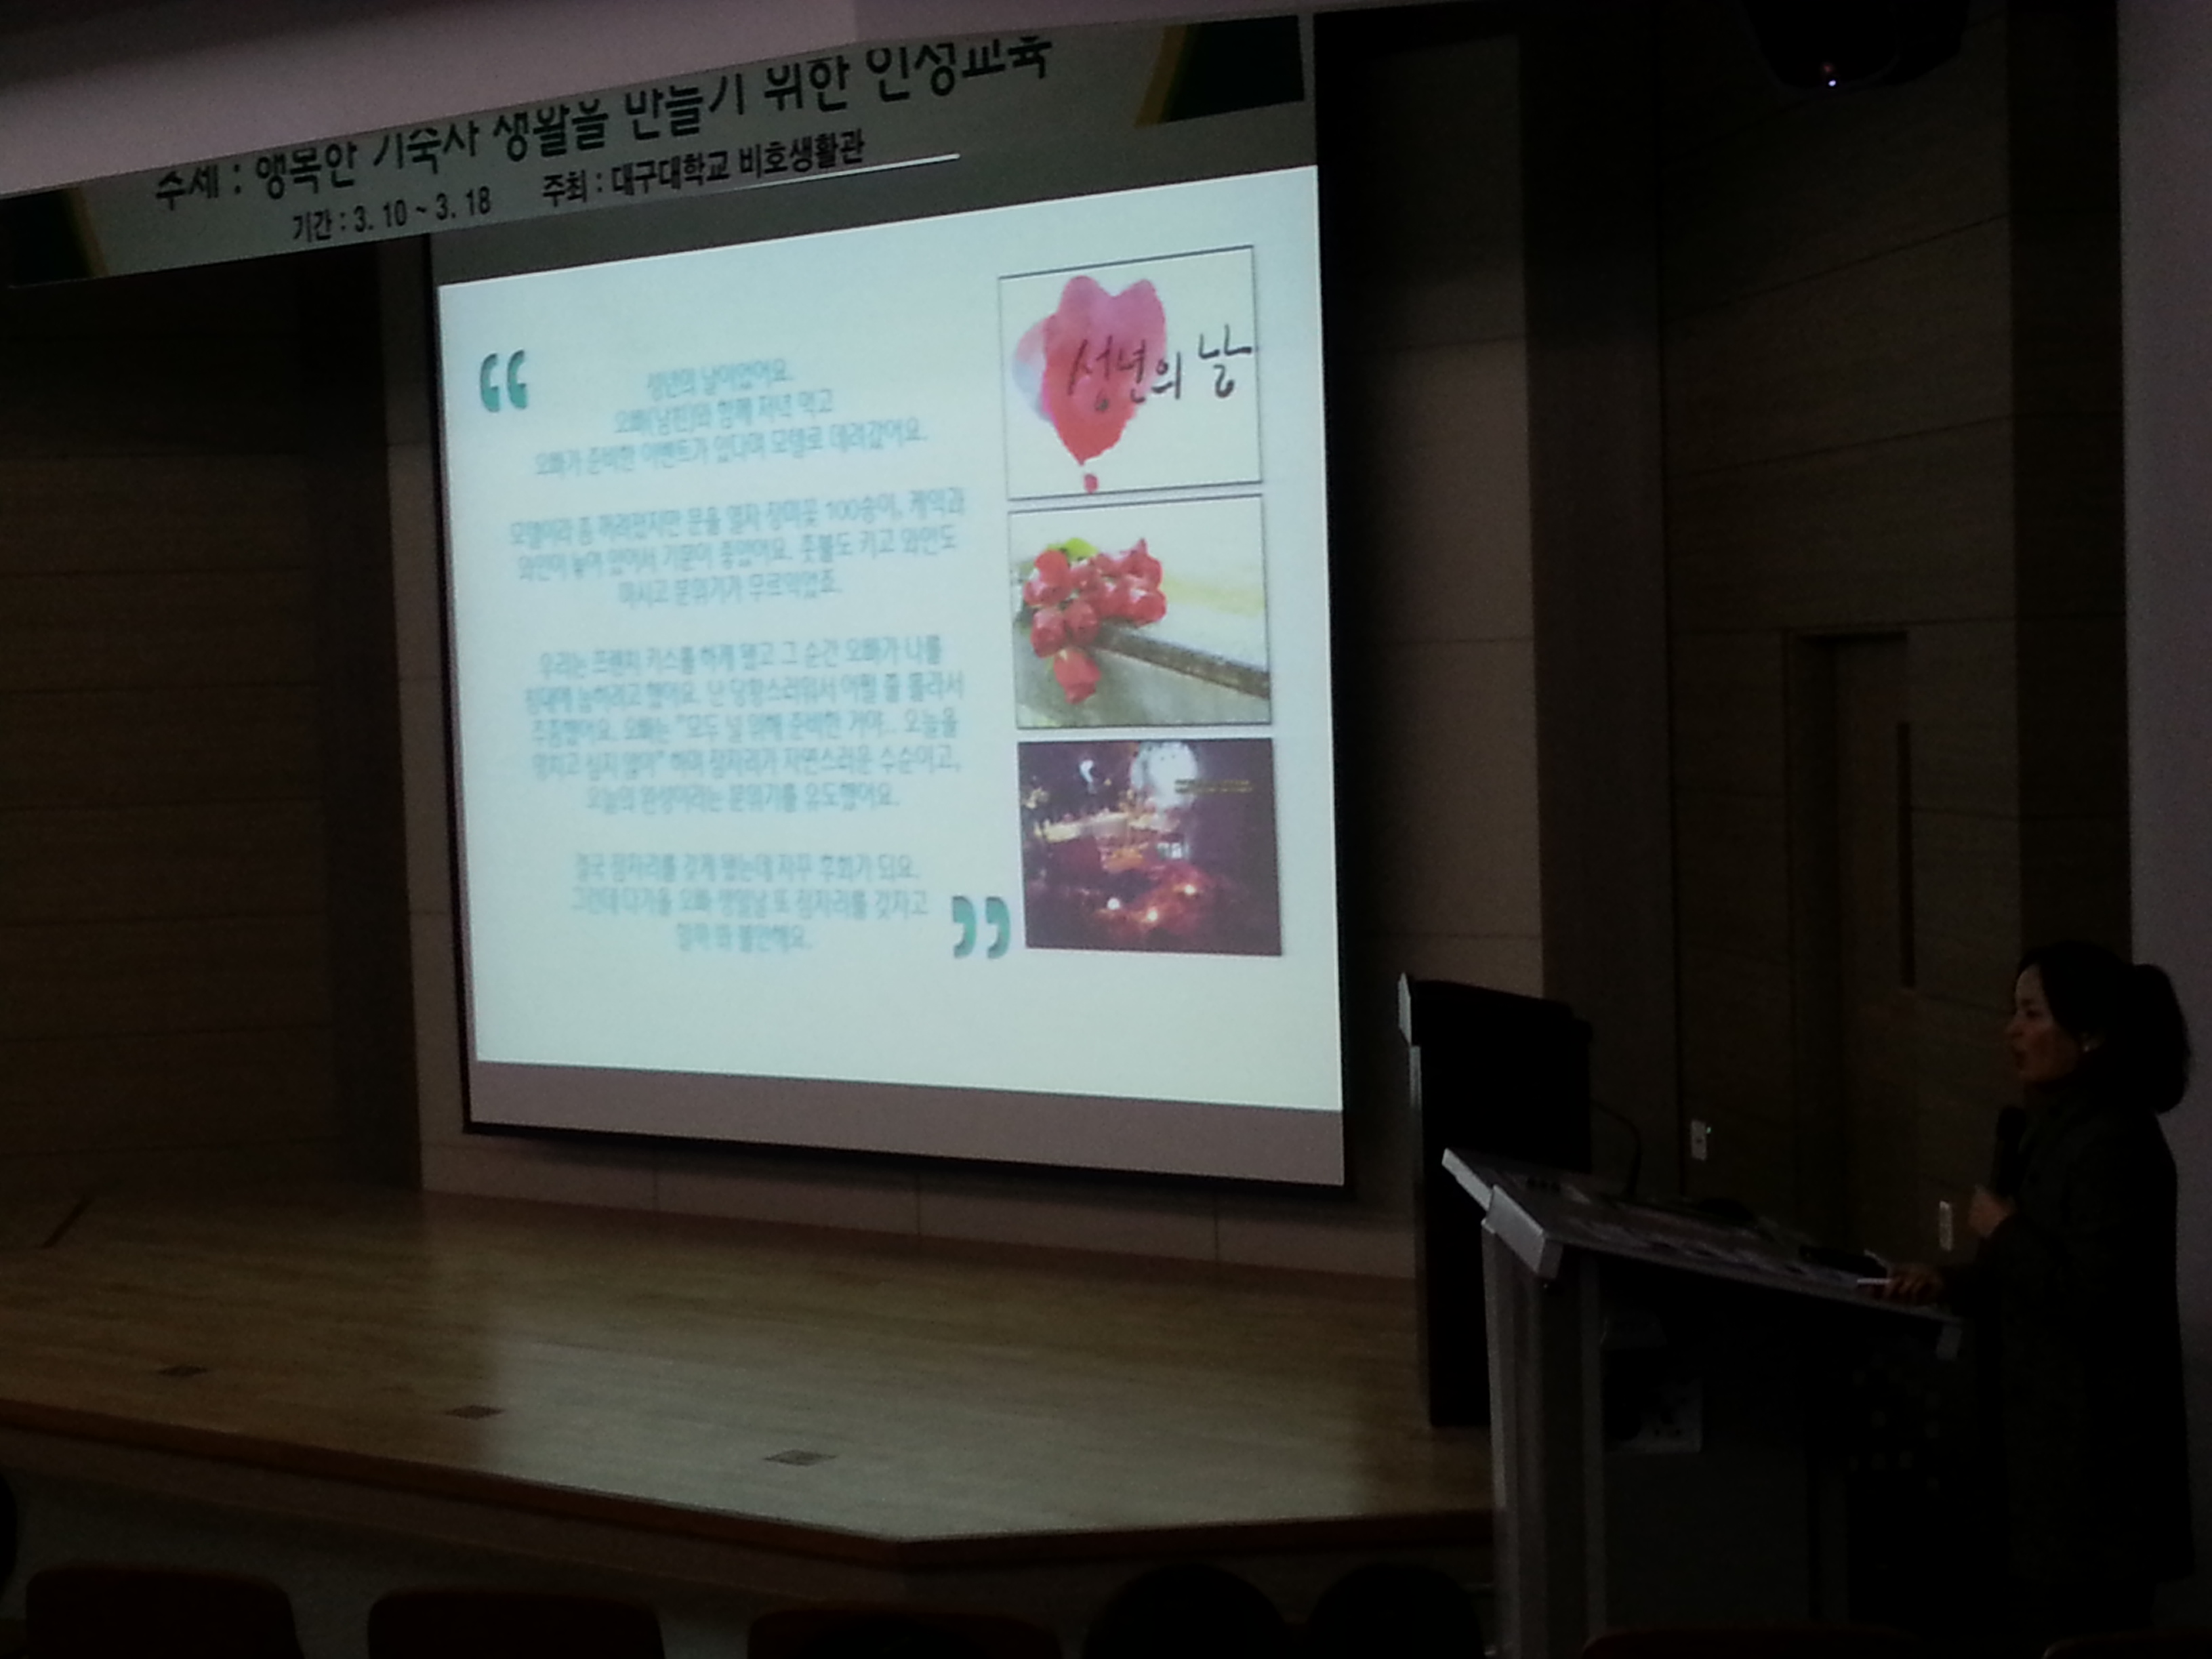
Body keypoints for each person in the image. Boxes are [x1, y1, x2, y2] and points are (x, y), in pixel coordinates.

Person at [1880, 941, 2193, 1648]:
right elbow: (2030, 1276)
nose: (2011, 1031)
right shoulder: (2056, 1128)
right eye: (2013, 1013)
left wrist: (2006, 1229)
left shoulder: (2115, 1143)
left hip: (2090, 1485)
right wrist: (1949, 1280)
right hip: (2039, 1480)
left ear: (2090, 1035)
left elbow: (2093, 1297)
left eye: (2031, 1014)